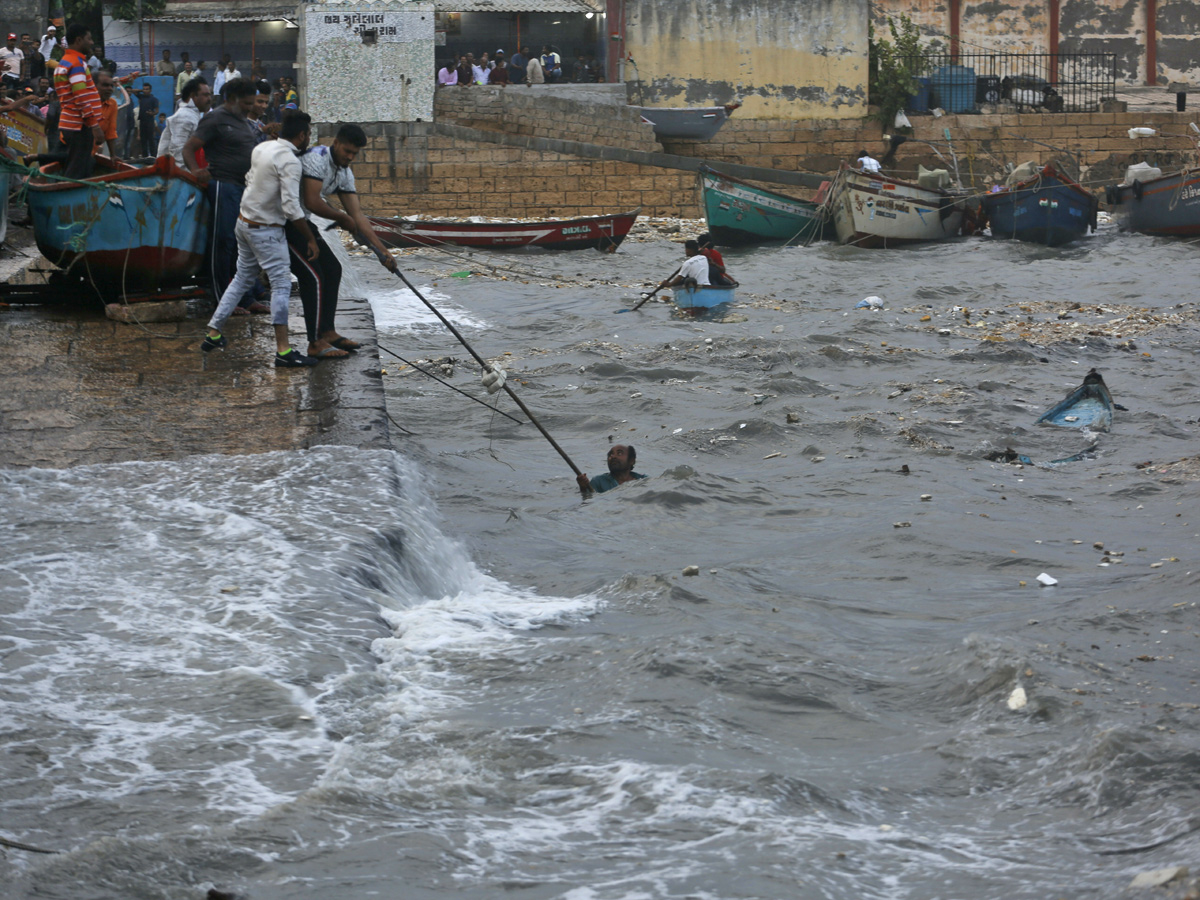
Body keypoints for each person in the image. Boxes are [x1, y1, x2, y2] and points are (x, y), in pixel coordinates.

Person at [202, 110, 321, 368]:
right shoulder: (290, 161)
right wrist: (310, 237)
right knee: (281, 285)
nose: (309, 138)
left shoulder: (263, 147)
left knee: (242, 279)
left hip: (243, 223)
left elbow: (250, 180)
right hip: (265, 229)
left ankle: (213, 331)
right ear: (302, 135)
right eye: (309, 133)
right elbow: (291, 208)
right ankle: (283, 351)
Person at [290, 123, 398, 358]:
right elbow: (311, 201)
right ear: (336, 143)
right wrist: (342, 218)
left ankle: (327, 331)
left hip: (302, 220)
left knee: (333, 269)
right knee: (313, 276)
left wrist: (382, 252)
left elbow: (357, 216)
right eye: (347, 151)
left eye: (354, 154)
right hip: (283, 219)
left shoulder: (344, 172)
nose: (349, 157)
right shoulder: (316, 158)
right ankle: (314, 342)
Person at [182, 77, 269, 314]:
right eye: (246, 104)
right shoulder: (215, 119)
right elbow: (189, 148)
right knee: (223, 243)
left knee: (244, 245)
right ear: (232, 100)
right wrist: (195, 171)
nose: (250, 108)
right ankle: (223, 299)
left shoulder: (242, 121)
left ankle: (247, 297)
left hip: (245, 188)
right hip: (223, 185)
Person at [51, 24, 103, 180]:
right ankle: (66, 199)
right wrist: (94, 125)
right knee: (77, 170)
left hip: (71, 123)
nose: (92, 43)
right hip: (78, 124)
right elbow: (80, 96)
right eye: (89, 39)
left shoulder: (65, 61)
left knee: (76, 165)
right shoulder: (76, 64)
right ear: (79, 40)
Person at [157, 75, 210, 165]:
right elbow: (178, 154)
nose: (209, 99)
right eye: (205, 95)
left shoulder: (192, 115)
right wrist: (189, 176)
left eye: (209, 95)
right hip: (179, 176)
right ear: (193, 96)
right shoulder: (184, 117)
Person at [577, 444, 647, 495]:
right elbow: (588, 502)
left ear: (631, 461)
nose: (613, 456)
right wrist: (583, 488)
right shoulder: (598, 481)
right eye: (610, 454)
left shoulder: (644, 480)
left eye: (619, 453)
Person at [95, 69, 119, 157]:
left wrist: (113, 156)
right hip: (69, 148)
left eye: (111, 85)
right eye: (105, 85)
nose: (110, 89)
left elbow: (110, 131)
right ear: (93, 86)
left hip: (89, 153)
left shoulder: (112, 104)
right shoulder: (85, 101)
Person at [135, 83, 159, 157]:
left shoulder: (154, 99)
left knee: (151, 140)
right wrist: (141, 90)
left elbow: (157, 111)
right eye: (144, 89)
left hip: (150, 122)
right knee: (143, 140)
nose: (145, 91)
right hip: (142, 121)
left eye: (147, 89)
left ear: (150, 90)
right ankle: (144, 156)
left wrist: (152, 113)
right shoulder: (141, 97)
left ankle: (153, 156)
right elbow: (133, 91)